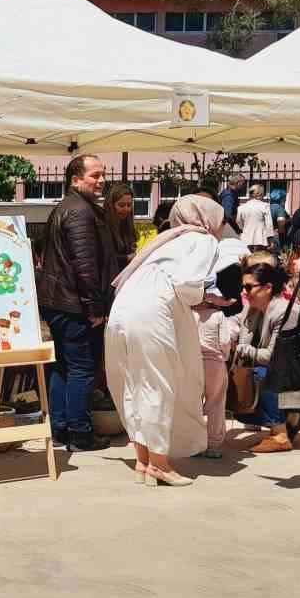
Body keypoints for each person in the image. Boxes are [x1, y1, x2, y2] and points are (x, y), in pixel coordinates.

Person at [106, 195, 244, 486]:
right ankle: (159, 464)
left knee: (133, 384)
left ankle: (143, 461)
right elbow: (185, 284)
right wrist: (209, 298)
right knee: (158, 384)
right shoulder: (202, 240)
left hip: (123, 308)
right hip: (152, 311)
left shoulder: (167, 239)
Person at [34, 155, 122, 451]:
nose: (101, 181)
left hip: (61, 302)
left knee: (63, 367)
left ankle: (60, 429)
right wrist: (95, 307)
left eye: (102, 175)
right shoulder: (80, 212)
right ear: (75, 179)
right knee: (82, 369)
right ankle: (79, 433)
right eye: (94, 176)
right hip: (74, 305)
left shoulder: (69, 208)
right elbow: (84, 264)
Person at [232, 251, 300, 453]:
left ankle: (280, 434)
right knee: (239, 381)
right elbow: (236, 322)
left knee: (259, 375)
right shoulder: (254, 308)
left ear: (268, 288)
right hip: (282, 373)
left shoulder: (284, 311)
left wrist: (241, 349)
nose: (244, 292)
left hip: (298, 375)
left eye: (249, 287)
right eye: (243, 287)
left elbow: (274, 358)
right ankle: (292, 419)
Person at [195, 301, 239, 460]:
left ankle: (194, 443)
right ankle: (212, 444)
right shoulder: (218, 315)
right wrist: (224, 357)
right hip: (214, 363)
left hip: (191, 363)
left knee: (193, 404)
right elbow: (225, 341)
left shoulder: (187, 314)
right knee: (216, 404)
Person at [105, 184, 140, 271]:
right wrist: (127, 258)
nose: (126, 209)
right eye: (121, 205)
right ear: (111, 205)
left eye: (129, 205)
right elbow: (104, 257)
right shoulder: (104, 225)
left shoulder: (127, 223)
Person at [236, 183, 275, 249]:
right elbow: (269, 225)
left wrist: (245, 229)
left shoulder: (241, 207)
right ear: (260, 194)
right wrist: (271, 240)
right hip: (261, 239)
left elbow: (238, 222)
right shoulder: (264, 206)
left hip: (245, 239)